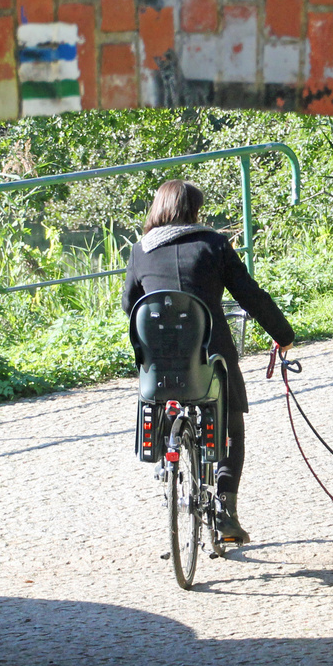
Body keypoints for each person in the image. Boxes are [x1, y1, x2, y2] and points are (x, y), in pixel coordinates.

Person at [122, 178, 295, 543]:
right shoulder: (214, 244)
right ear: (193, 211)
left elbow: (129, 306)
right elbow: (250, 295)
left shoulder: (140, 251)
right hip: (210, 356)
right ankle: (226, 513)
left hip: (160, 362)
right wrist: (283, 334)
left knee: (171, 399)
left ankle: (168, 443)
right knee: (231, 424)